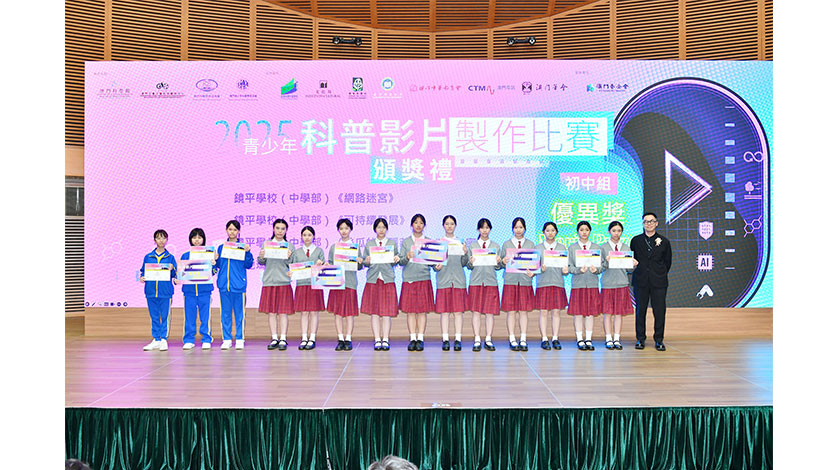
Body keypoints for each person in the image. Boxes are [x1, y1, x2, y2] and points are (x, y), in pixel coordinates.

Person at [630, 212, 672, 351]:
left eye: (651, 221)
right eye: (646, 222)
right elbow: (631, 259)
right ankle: (640, 339)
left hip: (658, 281)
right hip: (640, 280)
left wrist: (658, 272)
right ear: (643, 224)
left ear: (656, 223)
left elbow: (667, 262)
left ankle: (659, 340)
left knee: (659, 311)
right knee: (640, 311)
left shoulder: (664, 241)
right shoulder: (636, 240)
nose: (649, 224)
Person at [360, 218, 401, 351]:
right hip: (373, 279)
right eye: (379, 227)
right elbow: (364, 262)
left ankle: (386, 339)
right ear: (375, 229)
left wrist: (396, 259)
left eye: (383, 227)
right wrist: (366, 261)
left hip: (387, 279)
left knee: (387, 312)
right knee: (374, 312)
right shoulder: (369, 244)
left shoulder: (392, 243)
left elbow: (396, 260)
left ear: (386, 229)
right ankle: (377, 339)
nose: (381, 230)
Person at [466, 218, 504, 352]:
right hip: (476, 282)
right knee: (476, 312)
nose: (484, 230)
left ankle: (488, 339)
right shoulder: (473, 246)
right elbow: (469, 265)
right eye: (482, 228)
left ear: (490, 229)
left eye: (487, 228)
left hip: (491, 282)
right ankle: (477, 339)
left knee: (490, 312)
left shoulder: (496, 246)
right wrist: (470, 262)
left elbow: (498, 267)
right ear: (478, 229)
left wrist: (499, 262)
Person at [399, 214, 435, 351]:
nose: (418, 225)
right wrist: (407, 256)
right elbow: (401, 261)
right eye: (415, 222)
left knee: (422, 312)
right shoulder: (406, 242)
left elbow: (433, 261)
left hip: (424, 278)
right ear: (411, 225)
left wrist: (437, 265)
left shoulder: (429, 241)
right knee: (410, 312)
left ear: (424, 225)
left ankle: (420, 338)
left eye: (421, 223)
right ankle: (412, 338)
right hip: (409, 279)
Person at [257, 219, 295, 351]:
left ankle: (283, 338)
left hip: (283, 282)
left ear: (286, 230)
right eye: (277, 228)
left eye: (283, 229)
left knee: (283, 312)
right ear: (273, 229)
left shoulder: (289, 246)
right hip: (269, 282)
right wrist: (261, 256)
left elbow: (292, 264)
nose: (280, 231)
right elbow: (261, 262)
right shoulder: (266, 244)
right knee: (271, 313)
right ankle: (274, 338)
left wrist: (289, 257)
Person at [215, 220, 254, 350]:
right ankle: (226, 339)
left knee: (239, 314)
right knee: (225, 314)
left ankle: (239, 338)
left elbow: (248, 264)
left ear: (239, 231)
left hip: (238, 286)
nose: (232, 232)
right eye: (230, 229)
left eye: (235, 230)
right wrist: (215, 260)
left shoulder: (243, 247)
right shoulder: (221, 247)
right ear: (226, 230)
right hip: (224, 286)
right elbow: (219, 265)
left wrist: (248, 252)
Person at [433, 215, 469, 351]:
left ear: (455, 226)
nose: (449, 226)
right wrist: (436, 266)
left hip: (458, 280)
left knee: (458, 312)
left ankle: (458, 339)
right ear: (443, 226)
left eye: (452, 224)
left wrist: (465, 253)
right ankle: (445, 339)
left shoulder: (461, 242)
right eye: (447, 224)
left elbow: (464, 263)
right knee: (445, 312)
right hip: (444, 280)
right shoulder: (439, 243)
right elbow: (434, 262)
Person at [500, 217, 537, 351]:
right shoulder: (506, 244)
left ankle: (523, 338)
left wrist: (533, 272)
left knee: (523, 312)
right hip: (510, 281)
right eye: (516, 227)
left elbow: (535, 264)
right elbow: (500, 264)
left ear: (525, 229)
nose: (518, 230)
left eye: (521, 227)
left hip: (525, 282)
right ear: (512, 229)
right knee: (511, 311)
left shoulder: (531, 244)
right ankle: (512, 338)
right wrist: (503, 261)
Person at [599, 221, 637, 350]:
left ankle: (616, 338)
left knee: (619, 313)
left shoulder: (626, 248)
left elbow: (629, 270)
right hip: (608, 284)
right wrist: (606, 262)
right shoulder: (603, 248)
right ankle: (608, 339)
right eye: (614, 231)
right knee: (607, 313)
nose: (616, 233)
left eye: (619, 231)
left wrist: (633, 265)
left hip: (621, 283)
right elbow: (599, 268)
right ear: (609, 232)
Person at [327, 218, 363, 351]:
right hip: (337, 283)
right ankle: (340, 338)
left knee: (349, 313)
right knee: (338, 313)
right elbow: (330, 264)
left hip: (350, 282)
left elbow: (360, 267)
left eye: (346, 228)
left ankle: (348, 338)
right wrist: (327, 265)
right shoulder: (334, 247)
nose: (344, 231)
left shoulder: (355, 247)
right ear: (338, 230)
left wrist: (359, 262)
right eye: (341, 228)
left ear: (350, 230)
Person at [178, 227, 216, 350]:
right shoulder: (185, 255)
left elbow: (213, 272)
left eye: (200, 237)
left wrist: (213, 264)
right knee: (189, 317)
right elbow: (181, 273)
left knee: (205, 317)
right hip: (189, 292)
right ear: (190, 239)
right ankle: (189, 340)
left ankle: (206, 339)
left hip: (205, 291)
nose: (197, 240)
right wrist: (178, 277)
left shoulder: (209, 255)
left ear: (203, 239)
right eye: (194, 237)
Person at [567, 221, 603, 351]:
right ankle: (579, 339)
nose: (584, 232)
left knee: (590, 314)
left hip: (592, 284)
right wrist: (578, 270)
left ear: (590, 231)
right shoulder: (572, 248)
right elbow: (569, 266)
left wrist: (596, 270)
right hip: (578, 285)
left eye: (586, 230)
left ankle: (588, 339)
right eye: (581, 230)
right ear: (578, 232)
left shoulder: (596, 247)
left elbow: (601, 266)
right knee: (578, 313)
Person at [139, 229, 176, 351]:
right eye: (158, 238)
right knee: (154, 316)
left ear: (167, 240)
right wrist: (142, 277)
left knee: (165, 316)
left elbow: (176, 275)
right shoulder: (148, 257)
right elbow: (143, 272)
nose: (161, 240)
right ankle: (156, 339)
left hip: (165, 292)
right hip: (150, 291)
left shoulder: (170, 257)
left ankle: (163, 339)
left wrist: (172, 269)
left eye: (163, 238)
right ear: (154, 240)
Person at [290, 225, 325, 350]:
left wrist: (321, 264)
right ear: (301, 237)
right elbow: (292, 267)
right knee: (304, 313)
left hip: (315, 285)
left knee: (314, 312)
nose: (307, 237)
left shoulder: (319, 251)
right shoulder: (297, 252)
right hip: (301, 285)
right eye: (304, 235)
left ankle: (312, 338)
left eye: (309, 235)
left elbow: (325, 268)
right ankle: (304, 337)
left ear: (313, 236)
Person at [535, 222, 568, 350]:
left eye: (553, 230)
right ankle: (544, 338)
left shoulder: (562, 247)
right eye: (547, 230)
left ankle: (555, 338)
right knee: (543, 312)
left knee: (556, 312)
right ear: (543, 232)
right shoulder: (538, 248)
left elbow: (565, 268)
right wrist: (540, 268)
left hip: (557, 282)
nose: (550, 233)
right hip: (543, 283)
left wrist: (565, 270)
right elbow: (533, 267)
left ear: (556, 232)